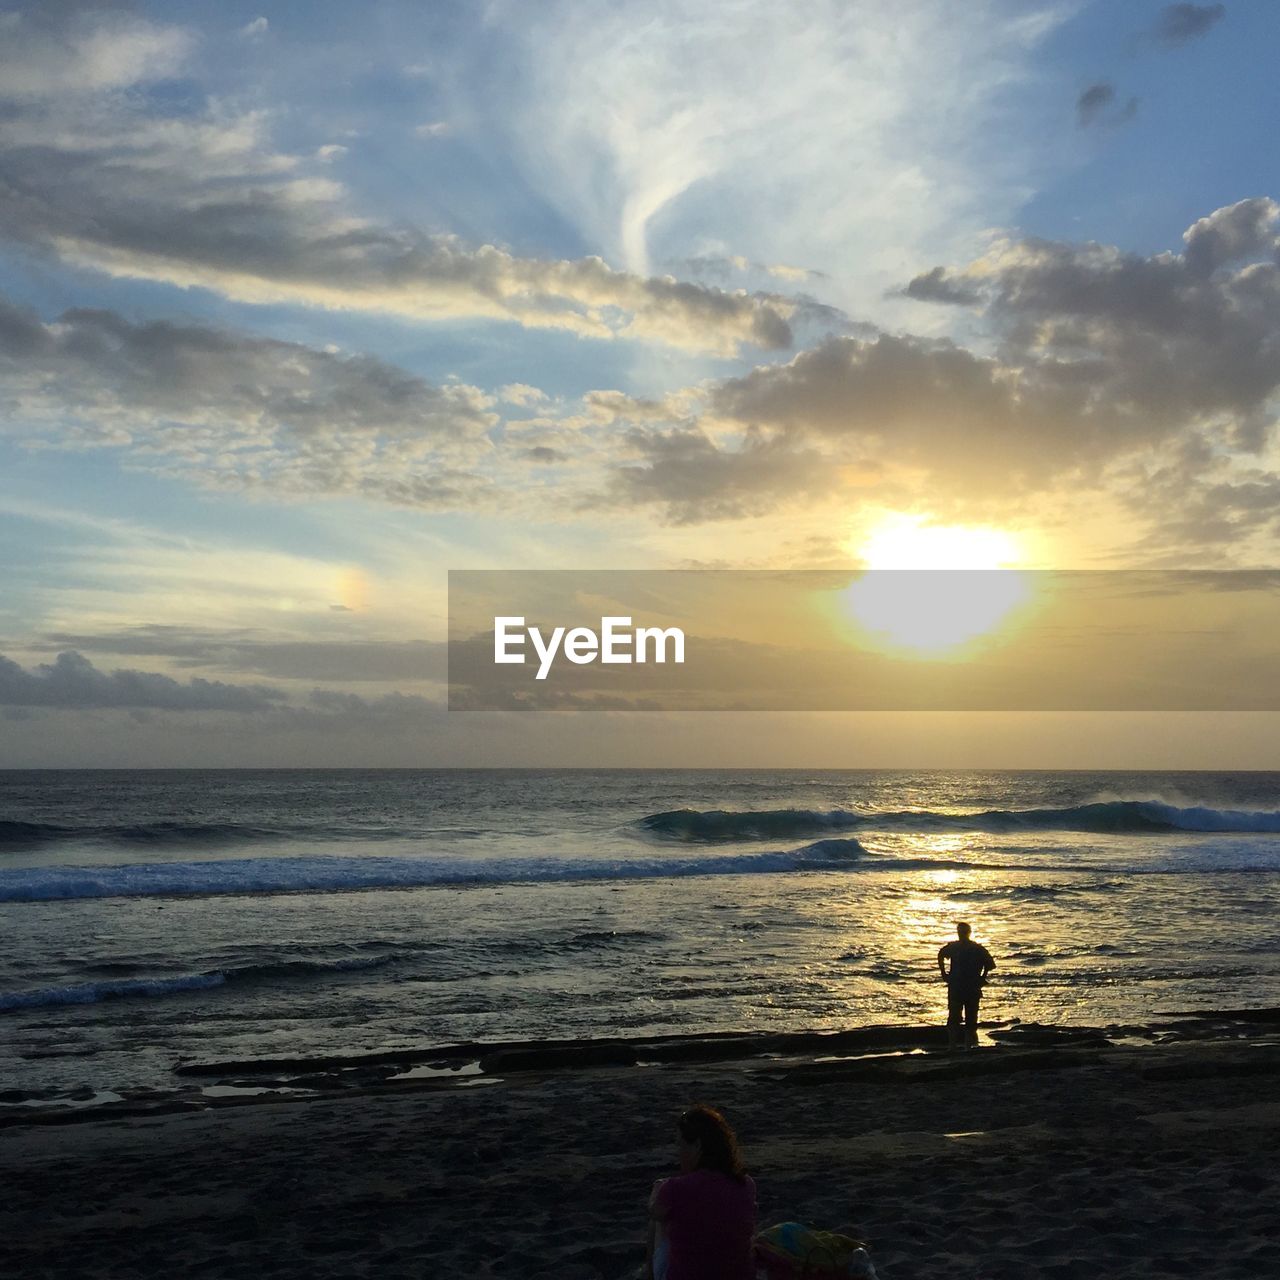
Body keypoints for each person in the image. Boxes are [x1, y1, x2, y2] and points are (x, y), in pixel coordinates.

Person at [646, 1105, 756, 1280]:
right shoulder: (746, 1184)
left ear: (697, 1145)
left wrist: (657, 1190)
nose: (678, 1152)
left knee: (657, 1222)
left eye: (681, 1145)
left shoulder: (674, 1188)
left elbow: (654, 1211)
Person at [937, 921, 996, 1049]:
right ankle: (955, 1045)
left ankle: (964, 1045)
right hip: (960, 986)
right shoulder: (961, 948)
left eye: (963, 932)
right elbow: (941, 954)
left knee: (967, 1017)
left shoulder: (975, 948)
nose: (961, 934)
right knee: (957, 1017)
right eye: (960, 932)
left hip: (967, 986)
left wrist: (982, 976)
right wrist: (944, 973)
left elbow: (990, 964)